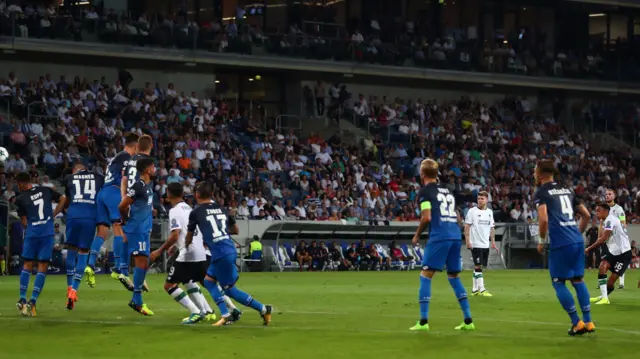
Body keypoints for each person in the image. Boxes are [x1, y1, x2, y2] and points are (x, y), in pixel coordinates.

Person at [149, 183, 240, 324]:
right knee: (206, 283)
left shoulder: (174, 211)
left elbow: (175, 234)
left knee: (170, 285)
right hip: (201, 253)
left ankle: (196, 312)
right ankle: (233, 308)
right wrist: (177, 245)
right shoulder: (190, 209)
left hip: (188, 254)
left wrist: (159, 251)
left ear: (169, 194)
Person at [185, 181, 272, 326]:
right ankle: (234, 312)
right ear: (212, 194)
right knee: (208, 281)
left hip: (221, 253)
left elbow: (189, 235)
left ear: (197, 194)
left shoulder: (196, 212)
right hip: (227, 249)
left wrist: (186, 245)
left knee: (230, 290)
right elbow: (236, 230)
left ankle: (256, 310)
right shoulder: (222, 208)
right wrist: (219, 233)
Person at [410, 159, 474, 332]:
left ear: (422, 174)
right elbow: (456, 215)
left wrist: (417, 235)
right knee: (454, 277)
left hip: (439, 236)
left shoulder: (425, 192)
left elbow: (427, 217)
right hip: (454, 234)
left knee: (425, 275)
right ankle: (468, 320)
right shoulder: (447, 191)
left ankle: (423, 322)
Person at [534, 159, 594, 336]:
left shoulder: (542, 192)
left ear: (540, 173)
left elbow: (543, 219)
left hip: (561, 242)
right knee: (578, 280)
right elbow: (586, 215)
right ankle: (589, 321)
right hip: (576, 240)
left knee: (558, 282)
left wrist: (541, 241)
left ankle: (577, 323)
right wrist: (577, 234)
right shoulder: (567, 189)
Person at [85, 133, 138, 290]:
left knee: (102, 232)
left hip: (102, 194)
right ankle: (117, 267)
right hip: (114, 192)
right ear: (134, 146)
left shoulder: (116, 158)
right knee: (119, 228)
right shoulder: (126, 157)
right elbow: (125, 177)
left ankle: (90, 264)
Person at [15, 172, 66, 316]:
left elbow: (24, 222)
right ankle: (33, 301)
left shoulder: (21, 198)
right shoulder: (46, 190)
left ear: (20, 184)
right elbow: (63, 198)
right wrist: (54, 214)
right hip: (47, 232)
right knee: (43, 266)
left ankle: (22, 299)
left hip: (32, 233)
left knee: (27, 264)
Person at [63, 163, 104, 310]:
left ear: (74, 171)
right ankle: (74, 290)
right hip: (89, 217)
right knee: (83, 253)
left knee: (71, 249)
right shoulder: (98, 177)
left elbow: (67, 199)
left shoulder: (69, 178)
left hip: (73, 215)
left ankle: (69, 287)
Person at [118, 157, 155, 316]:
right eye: (153, 167)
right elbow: (122, 205)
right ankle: (137, 300)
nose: (155, 170)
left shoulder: (148, 187)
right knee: (141, 262)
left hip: (144, 230)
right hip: (137, 229)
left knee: (143, 262)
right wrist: (126, 221)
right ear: (147, 170)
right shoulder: (138, 186)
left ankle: (137, 299)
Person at [119, 134, 153, 282]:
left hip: (131, 197)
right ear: (151, 146)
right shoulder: (147, 163)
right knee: (142, 237)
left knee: (127, 233)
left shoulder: (130, 159)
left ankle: (123, 268)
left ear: (138, 146)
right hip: (141, 199)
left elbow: (124, 180)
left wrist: (124, 197)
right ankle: (139, 277)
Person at [585, 203, 632, 305]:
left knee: (610, 283)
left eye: (599, 211)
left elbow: (603, 238)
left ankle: (603, 296)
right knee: (602, 266)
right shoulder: (607, 221)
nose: (597, 213)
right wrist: (601, 223)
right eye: (596, 211)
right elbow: (600, 237)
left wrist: (588, 248)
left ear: (606, 211)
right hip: (614, 252)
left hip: (624, 254)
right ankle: (604, 298)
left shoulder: (611, 219)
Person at [464, 191, 496, 297]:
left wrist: (493, 242)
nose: (480, 200)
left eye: (482, 198)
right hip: (475, 243)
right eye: (478, 198)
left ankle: (474, 290)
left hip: (485, 244)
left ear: (487, 200)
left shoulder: (490, 212)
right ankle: (482, 289)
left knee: (480, 267)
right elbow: (467, 227)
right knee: (478, 266)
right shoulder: (472, 211)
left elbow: (492, 228)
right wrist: (468, 241)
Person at [602, 189, 627, 289]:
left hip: (617, 238)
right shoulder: (604, 209)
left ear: (614, 196)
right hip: (607, 239)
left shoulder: (619, 209)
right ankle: (603, 283)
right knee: (605, 261)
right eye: (606, 194)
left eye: (610, 194)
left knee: (619, 261)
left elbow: (623, 223)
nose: (607, 196)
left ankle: (621, 282)